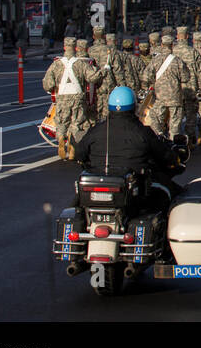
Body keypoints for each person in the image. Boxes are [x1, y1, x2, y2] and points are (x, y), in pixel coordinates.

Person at [73, 87, 184, 215]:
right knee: (174, 195)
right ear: (134, 106)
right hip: (135, 191)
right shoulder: (142, 132)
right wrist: (174, 156)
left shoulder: (96, 130)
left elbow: (79, 154)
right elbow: (164, 156)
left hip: (98, 185)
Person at [43, 36, 97, 160]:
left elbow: (48, 84)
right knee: (76, 122)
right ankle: (72, 144)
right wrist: (102, 71)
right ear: (76, 48)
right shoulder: (80, 63)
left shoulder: (56, 64)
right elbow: (92, 78)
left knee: (62, 122)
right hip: (77, 96)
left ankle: (61, 137)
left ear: (64, 47)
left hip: (62, 96)